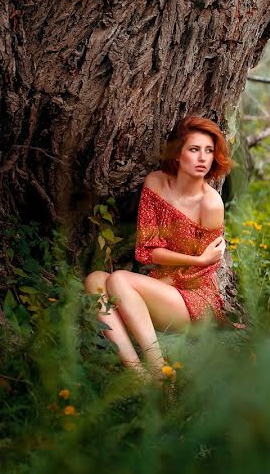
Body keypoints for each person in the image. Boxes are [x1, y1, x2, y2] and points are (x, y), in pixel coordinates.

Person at [84, 116, 234, 377]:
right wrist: (193, 262)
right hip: (160, 285)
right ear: (177, 154)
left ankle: (159, 371)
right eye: (194, 149)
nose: (203, 158)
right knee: (96, 280)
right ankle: (136, 373)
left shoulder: (210, 204)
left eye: (209, 151)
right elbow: (146, 249)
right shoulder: (155, 183)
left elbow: (204, 273)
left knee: (119, 280)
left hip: (195, 299)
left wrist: (189, 269)